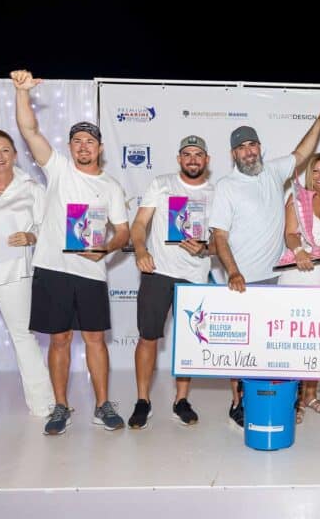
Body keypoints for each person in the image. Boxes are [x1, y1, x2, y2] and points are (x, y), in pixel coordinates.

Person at [12, 70, 130, 435]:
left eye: (89, 141)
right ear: (70, 148)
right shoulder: (59, 170)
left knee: (95, 340)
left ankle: (102, 405)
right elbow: (30, 131)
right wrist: (22, 93)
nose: (83, 146)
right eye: (76, 141)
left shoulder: (111, 186)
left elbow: (123, 230)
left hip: (92, 272)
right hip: (52, 268)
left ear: (100, 148)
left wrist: (106, 249)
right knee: (59, 340)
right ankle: (60, 406)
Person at [210, 106, 320, 427]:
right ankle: (238, 403)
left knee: (272, 348)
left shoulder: (273, 171)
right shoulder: (226, 186)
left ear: (259, 148)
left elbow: (302, 153)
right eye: (242, 148)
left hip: (279, 280)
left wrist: (319, 122)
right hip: (244, 282)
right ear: (233, 154)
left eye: (252, 145)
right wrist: (234, 272)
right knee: (242, 349)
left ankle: (279, 400)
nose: (249, 152)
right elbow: (220, 237)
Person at [127, 135, 214, 430]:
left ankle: (181, 400)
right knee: (147, 337)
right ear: (179, 158)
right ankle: (142, 400)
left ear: (207, 160)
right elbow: (139, 225)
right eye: (187, 154)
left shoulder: (217, 192)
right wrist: (140, 249)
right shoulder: (160, 184)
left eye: (198, 154)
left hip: (196, 275)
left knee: (189, 342)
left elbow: (221, 241)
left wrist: (204, 249)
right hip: (158, 272)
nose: (192, 159)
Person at [0, 130, 55, 428]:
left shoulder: (31, 187)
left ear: (15, 155)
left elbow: (50, 228)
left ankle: (42, 402)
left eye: (5, 150)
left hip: (17, 273)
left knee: (24, 336)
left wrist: (30, 236)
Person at [278, 152, 320, 423]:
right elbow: (290, 233)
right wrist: (300, 250)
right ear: (309, 174)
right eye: (316, 171)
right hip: (301, 273)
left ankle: (310, 395)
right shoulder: (298, 198)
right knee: (296, 339)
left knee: (318, 339)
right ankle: (293, 400)